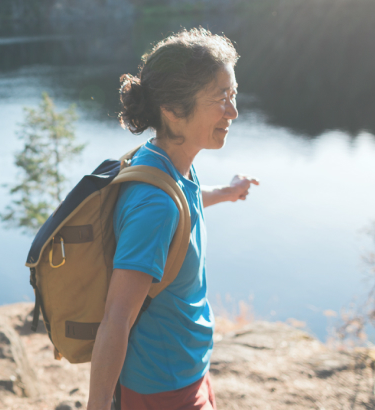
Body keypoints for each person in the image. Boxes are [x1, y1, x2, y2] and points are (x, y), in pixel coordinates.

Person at [86, 28, 258, 410]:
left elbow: (185, 206)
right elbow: (116, 318)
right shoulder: (154, 205)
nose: (233, 111)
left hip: (187, 369)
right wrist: (97, 405)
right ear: (173, 109)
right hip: (160, 390)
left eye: (232, 95)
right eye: (220, 99)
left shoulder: (164, 162)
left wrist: (227, 193)